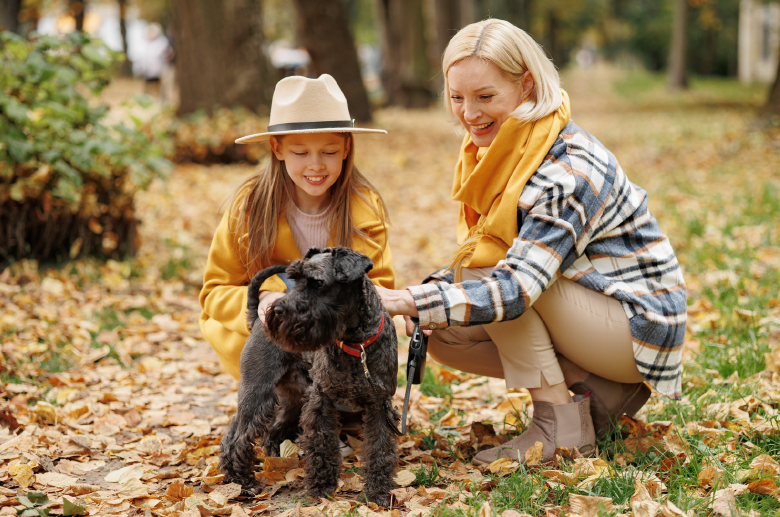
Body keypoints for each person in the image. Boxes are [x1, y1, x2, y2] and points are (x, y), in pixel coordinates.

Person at [378, 19, 687, 465]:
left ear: (525, 86)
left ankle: (558, 426)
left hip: (638, 324)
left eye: (485, 96)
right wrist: (424, 302)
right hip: (588, 307)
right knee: (440, 331)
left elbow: (516, 285)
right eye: (457, 97)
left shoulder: (567, 168)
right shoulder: (504, 149)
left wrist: (407, 297)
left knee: (484, 279)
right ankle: (593, 391)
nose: (468, 113)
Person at [199, 74, 393, 383]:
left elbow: (380, 290)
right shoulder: (248, 208)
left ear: (346, 148)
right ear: (277, 148)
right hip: (272, 333)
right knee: (289, 289)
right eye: (300, 153)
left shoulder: (365, 210)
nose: (315, 165)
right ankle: (278, 391)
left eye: (328, 152)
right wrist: (264, 298)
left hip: (337, 337)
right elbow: (214, 291)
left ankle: (336, 396)